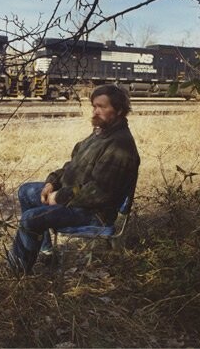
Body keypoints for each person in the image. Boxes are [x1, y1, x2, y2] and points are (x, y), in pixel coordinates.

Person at [8, 84, 140, 275]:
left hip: (95, 213)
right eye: (94, 106)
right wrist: (51, 182)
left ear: (119, 110)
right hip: (77, 199)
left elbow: (99, 192)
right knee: (26, 191)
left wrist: (59, 197)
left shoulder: (120, 145)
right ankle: (46, 251)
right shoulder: (101, 133)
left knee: (30, 218)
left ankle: (16, 272)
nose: (95, 112)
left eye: (102, 107)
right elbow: (73, 165)